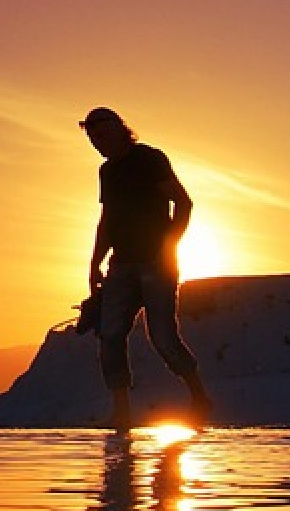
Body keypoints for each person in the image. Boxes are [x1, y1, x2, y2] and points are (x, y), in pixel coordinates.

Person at [81, 107, 215, 428]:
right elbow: (107, 219)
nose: (98, 142)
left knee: (163, 338)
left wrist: (168, 246)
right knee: (110, 335)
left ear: (119, 129)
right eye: (92, 137)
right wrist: (94, 262)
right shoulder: (106, 171)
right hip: (121, 264)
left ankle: (199, 397)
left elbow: (183, 202)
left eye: (102, 134)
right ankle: (122, 411)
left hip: (156, 263)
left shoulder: (150, 158)